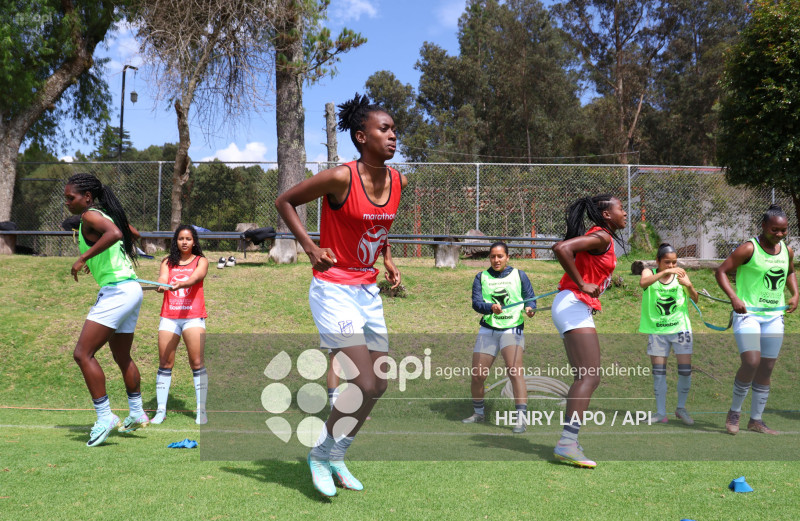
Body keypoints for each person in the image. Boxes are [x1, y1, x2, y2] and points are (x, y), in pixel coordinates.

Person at [275, 93, 406, 497]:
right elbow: (285, 201)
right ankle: (318, 455)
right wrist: (310, 248)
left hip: (367, 290)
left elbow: (376, 227)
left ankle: (336, 454)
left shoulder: (398, 180)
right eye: (384, 129)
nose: (393, 136)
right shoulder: (341, 177)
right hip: (333, 289)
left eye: (394, 129)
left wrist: (385, 259)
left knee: (379, 384)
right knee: (363, 382)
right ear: (360, 136)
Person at [64, 173, 149, 447]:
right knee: (122, 355)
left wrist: (83, 258)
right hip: (131, 289)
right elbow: (131, 233)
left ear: (87, 197)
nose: (67, 202)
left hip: (117, 292)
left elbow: (115, 234)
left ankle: (105, 417)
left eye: (71, 198)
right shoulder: (103, 214)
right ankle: (136, 413)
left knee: (82, 353)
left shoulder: (90, 216)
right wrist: (102, 256)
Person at [550, 194, 627, 468]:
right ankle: (567, 443)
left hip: (573, 306)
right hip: (573, 304)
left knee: (587, 377)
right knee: (589, 376)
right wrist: (582, 283)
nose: (625, 212)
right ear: (606, 214)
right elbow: (561, 248)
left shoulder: (603, 238)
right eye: (621, 208)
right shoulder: (602, 237)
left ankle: (569, 442)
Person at [716, 204, 797, 435]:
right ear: (763, 226)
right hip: (747, 314)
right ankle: (734, 412)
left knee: (767, 368)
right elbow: (721, 271)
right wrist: (734, 297)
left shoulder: (787, 251)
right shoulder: (748, 249)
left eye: (783, 231)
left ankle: (756, 420)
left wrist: (795, 294)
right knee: (751, 361)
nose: (779, 234)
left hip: (774, 316)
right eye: (775, 230)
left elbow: (790, 271)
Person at [463, 242, 536, 433]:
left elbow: (530, 298)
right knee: (478, 375)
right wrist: (490, 307)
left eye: (500, 256)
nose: (496, 260)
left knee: (514, 371)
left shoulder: (519, 275)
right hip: (488, 329)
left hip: (511, 328)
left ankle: (520, 418)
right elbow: (477, 303)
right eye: (493, 256)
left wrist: (530, 308)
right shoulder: (481, 277)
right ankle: (479, 414)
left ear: (507, 257)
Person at [151, 225, 210, 426]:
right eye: (180, 239)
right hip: (169, 317)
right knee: (165, 363)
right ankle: (160, 411)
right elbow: (163, 278)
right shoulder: (167, 261)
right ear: (175, 241)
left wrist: (182, 284)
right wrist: (161, 284)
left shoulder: (201, 261)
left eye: (188, 239)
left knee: (197, 363)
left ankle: (201, 411)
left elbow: (197, 277)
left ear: (194, 241)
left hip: (193, 317)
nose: (184, 242)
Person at [638, 243, 699, 425]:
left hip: (681, 329)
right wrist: (664, 273)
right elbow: (643, 283)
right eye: (667, 263)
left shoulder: (681, 274)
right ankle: (660, 413)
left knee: (685, 371)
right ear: (658, 261)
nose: (672, 266)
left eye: (674, 263)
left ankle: (681, 408)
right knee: (659, 373)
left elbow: (695, 298)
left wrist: (689, 285)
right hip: (658, 331)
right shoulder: (649, 273)